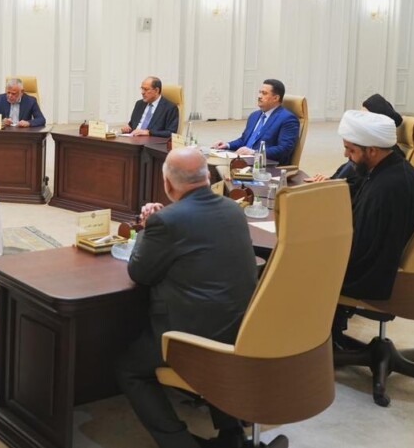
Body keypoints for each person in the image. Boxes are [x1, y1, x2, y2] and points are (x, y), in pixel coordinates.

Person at [117, 147, 258, 448]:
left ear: (167, 184)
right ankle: (232, 435)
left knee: (129, 369)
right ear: (208, 177)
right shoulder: (233, 210)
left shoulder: (167, 221)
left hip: (189, 336)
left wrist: (146, 229)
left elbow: (140, 273)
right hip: (242, 328)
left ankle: (178, 443)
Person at [336, 110, 414, 302]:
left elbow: (361, 250)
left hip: (365, 277)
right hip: (365, 261)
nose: (346, 155)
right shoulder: (389, 167)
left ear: (372, 150)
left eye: (351, 150)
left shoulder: (386, 189)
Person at [305, 94, 404, 197]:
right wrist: (330, 180)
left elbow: (357, 190)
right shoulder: (361, 150)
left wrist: (331, 186)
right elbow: (346, 175)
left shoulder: (383, 159)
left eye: (363, 117)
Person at [212, 79, 299, 165]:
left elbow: (284, 149)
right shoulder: (254, 115)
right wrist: (227, 145)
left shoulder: (288, 119)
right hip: (245, 160)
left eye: (264, 93)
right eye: (259, 92)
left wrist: (255, 152)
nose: (259, 96)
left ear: (276, 98)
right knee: (211, 161)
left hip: (265, 165)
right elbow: (244, 140)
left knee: (220, 168)